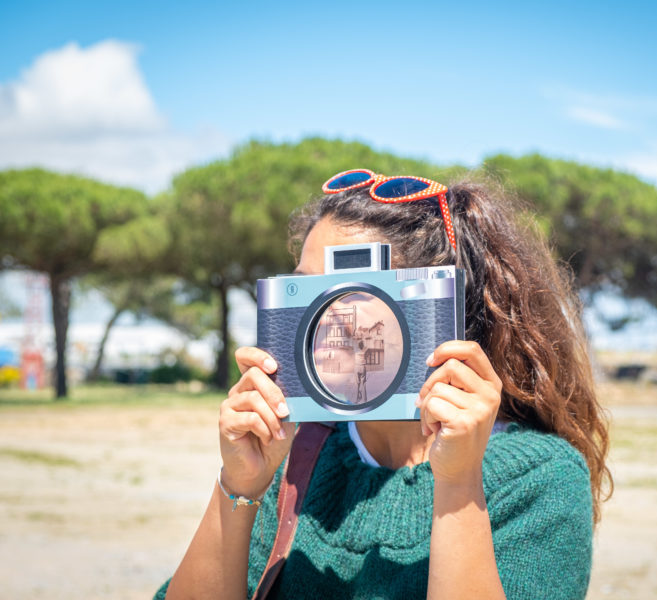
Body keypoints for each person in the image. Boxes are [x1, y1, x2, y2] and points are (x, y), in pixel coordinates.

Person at [156, 171, 611, 600]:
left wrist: (457, 482)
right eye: (304, 291)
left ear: (434, 307)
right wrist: (239, 484)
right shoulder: (296, 450)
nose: (323, 315)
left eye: (347, 293)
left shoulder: (538, 479)